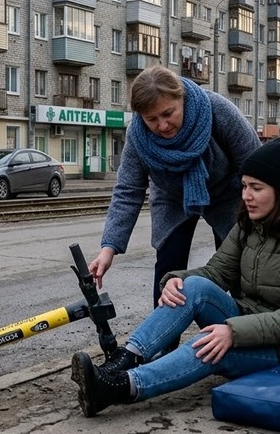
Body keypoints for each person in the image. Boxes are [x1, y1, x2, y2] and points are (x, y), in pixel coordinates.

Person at [71, 137, 280, 417]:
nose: (246, 196)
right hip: (253, 322)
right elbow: (216, 273)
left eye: (256, 188)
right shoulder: (252, 224)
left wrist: (233, 332)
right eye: (244, 186)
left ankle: (119, 387)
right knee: (195, 287)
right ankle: (123, 360)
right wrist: (175, 279)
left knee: (209, 344)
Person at [88, 64, 259, 311]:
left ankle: (241, 330)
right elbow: (128, 190)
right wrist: (109, 248)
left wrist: (263, 219)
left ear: (182, 98)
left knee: (237, 265)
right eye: (152, 119)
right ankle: (162, 345)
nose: (163, 125)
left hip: (228, 194)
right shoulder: (138, 135)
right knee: (168, 269)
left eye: (168, 114)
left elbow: (254, 165)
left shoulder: (215, 109)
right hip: (172, 198)